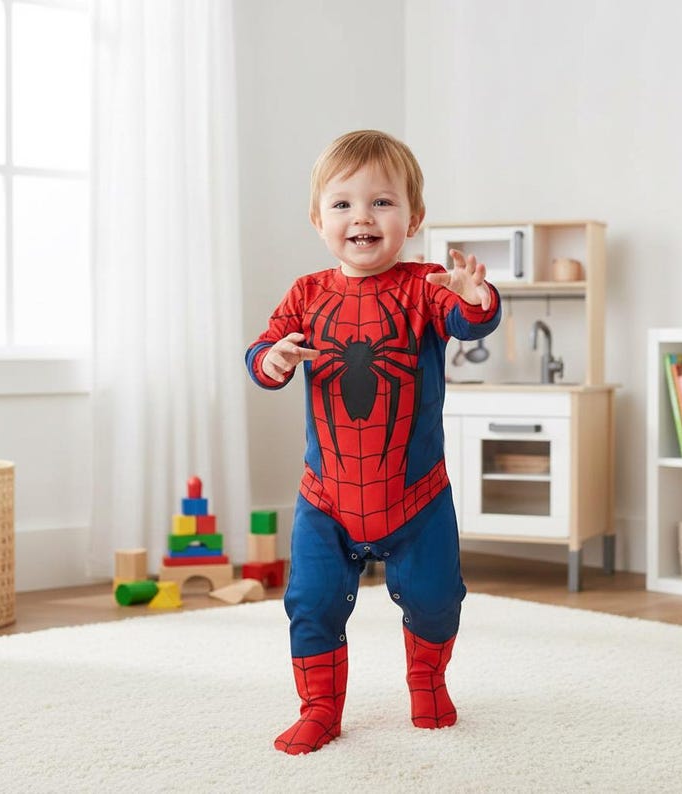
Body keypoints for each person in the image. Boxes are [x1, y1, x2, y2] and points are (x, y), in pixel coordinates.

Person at [245, 129, 501, 755]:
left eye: (382, 202)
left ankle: (428, 683)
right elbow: (263, 354)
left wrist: (476, 297)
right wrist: (273, 359)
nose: (362, 216)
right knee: (309, 602)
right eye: (343, 204)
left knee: (439, 598)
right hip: (327, 494)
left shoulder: (424, 287)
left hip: (416, 495)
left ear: (413, 218)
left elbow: (471, 320)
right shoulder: (306, 295)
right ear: (318, 219)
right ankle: (319, 708)